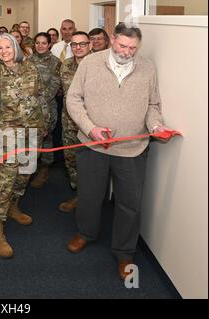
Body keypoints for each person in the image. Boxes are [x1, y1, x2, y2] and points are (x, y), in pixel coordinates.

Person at [65, 23, 174, 279]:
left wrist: (156, 126)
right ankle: (86, 234)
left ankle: (125, 253)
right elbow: (73, 99)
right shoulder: (90, 63)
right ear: (112, 39)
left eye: (132, 48)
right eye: (122, 45)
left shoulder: (147, 68)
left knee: (129, 204)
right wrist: (90, 128)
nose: (126, 52)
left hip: (132, 150)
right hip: (93, 146)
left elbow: (152, 105)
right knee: (90, 196)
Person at [0, 33, 48, 258]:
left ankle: (13, 204)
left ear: (15, 48)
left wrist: (45, 122)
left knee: (25, 172)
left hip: (34, 129)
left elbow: (41, 97)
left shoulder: (31, 68)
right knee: (7, 176)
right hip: (9, 131)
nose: (4, 51)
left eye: (8, 47)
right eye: (0, 49)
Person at [57, 31, 93, 213]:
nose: (78, 47)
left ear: (90, 45)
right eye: (74, 44)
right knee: (71, 160)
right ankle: (79, 195)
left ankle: (90, 199)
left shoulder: (99, 65)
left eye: (82, 44)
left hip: (92, 125)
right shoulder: (65, 66)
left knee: (91, 164)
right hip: (69, 122)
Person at [28, 32, 62, 189]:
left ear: (49, 45)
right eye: (37, 42)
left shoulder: (56, 63)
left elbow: (54, 87)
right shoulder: (27, 62)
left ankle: (45, 169)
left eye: (43, 43)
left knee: (46, 138)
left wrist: (37, 101)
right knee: (30, 138)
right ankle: (30, 169)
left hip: (47, 107)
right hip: (28, 108)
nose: (40, 45)